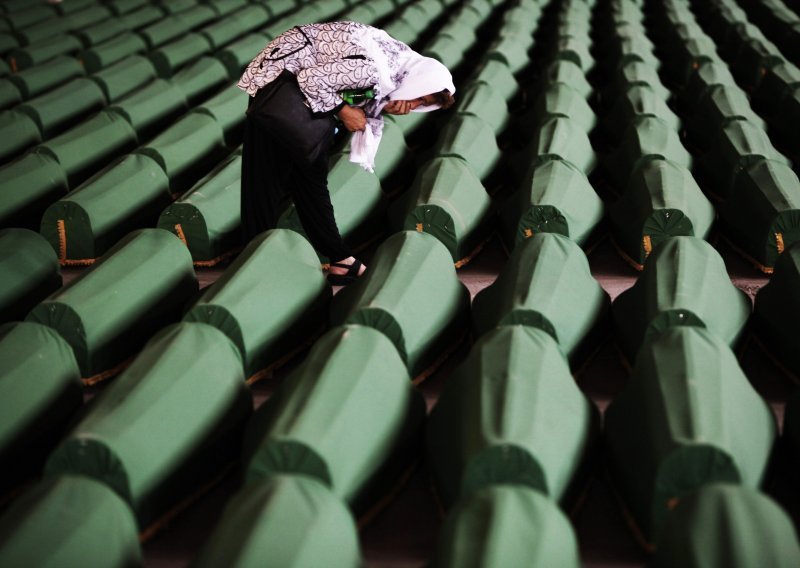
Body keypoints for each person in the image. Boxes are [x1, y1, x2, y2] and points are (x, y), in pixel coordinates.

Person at [238, 21, 455, 285]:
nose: (416, 105)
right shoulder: (373, 70)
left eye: (424, 105)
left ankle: (340, 259)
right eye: (421, 97)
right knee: (266, 176)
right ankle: (256, 259)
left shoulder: (397, 70)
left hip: (300, 91)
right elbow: (311, 79)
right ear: (419, 81)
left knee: (309, 176)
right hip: (280, 84)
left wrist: (383, 106)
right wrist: (343, 110)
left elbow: (355, 92)